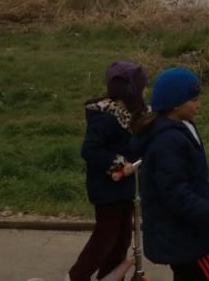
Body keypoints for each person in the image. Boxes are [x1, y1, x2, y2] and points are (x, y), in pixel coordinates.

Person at [132, 67, 209, 281]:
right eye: (194, 100)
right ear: (176, 104)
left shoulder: (182, 127)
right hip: (185, 239)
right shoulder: (168, 141)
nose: (198, 105)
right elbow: (177, 195)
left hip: (185, 235)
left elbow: (195, 177)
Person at [68, 61, 148, 281]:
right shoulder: (106, 118)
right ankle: (77, 277)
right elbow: (90, 150)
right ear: (131, 91)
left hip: (125, 189)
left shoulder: (129, 114)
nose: (145, 93)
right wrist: (119, 164)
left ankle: (110, 277)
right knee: (105, 238)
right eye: (142, 88)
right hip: (107, 189)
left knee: (121, 239)